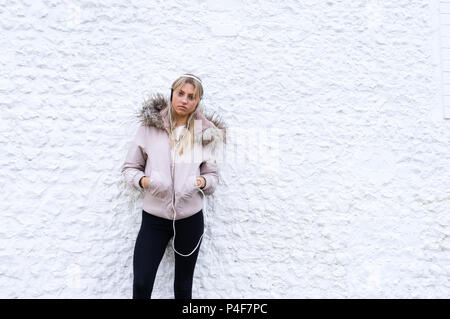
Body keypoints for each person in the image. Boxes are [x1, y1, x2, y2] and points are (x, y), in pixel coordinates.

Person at [121, 74, 226, 299]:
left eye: (191, 97)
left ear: (197, 102)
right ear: (172, 94)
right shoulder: (150, 127)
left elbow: (212, 176)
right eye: (180, 93)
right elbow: (130, 167)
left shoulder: (205, 133)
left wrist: (201, 182)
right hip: (154, 219)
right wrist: (146, 181)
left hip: (190, 219)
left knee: (183, 287)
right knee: (141, 283)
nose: (184, 100)